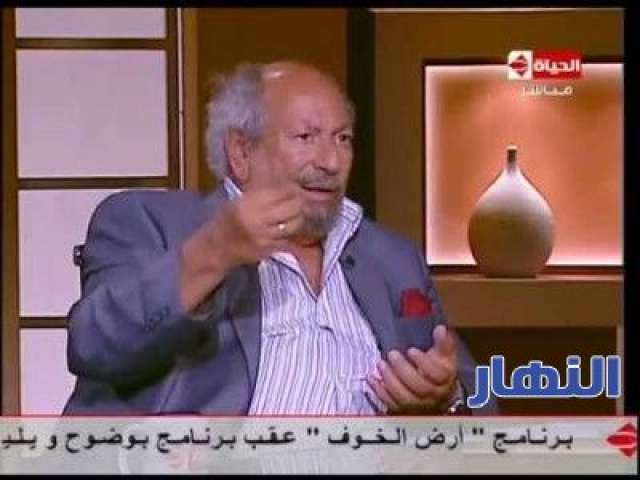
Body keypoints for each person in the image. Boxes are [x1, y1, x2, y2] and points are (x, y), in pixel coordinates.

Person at [63, 61, 496, 416]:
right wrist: (215, 250)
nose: (330, 161)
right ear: (241, 151)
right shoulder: (150, 222)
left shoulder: (391, 256)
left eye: (342, 138)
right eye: (306, 137)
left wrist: (447, 395)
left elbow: (480, 397)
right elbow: (93, 345)